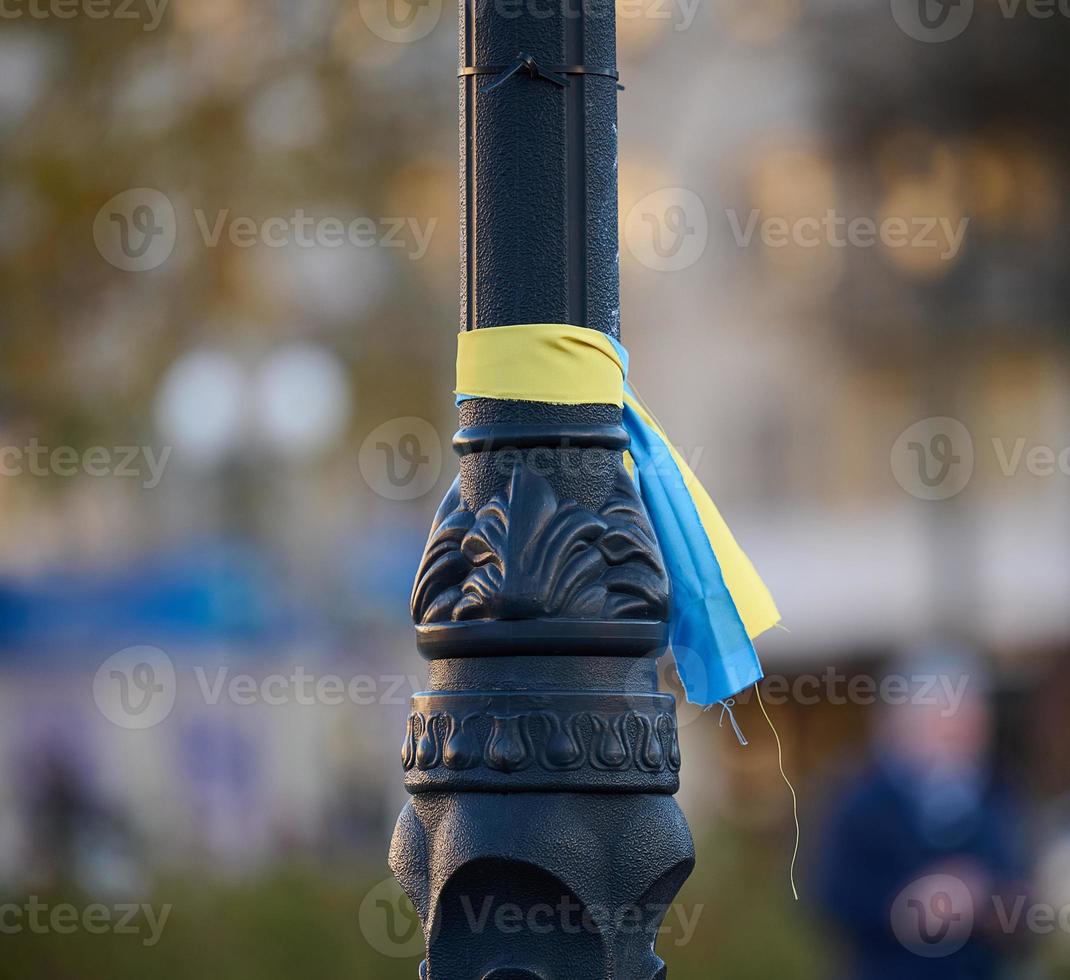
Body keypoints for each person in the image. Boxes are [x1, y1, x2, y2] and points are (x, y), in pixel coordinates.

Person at [816, 652, 1029, 979]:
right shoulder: (863, 804)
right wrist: (911, 906)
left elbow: (1023, 898)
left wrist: (983, 899)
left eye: (970, 725)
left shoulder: (998, 795)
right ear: (907, 727)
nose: (960, 739)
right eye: (947, 726)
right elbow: (833, 898)